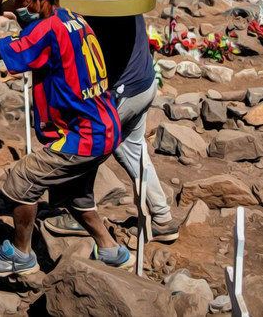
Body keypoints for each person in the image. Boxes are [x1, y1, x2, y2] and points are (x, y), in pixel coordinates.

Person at [0, 0, 131, 276]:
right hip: (105, 126)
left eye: (23, 1)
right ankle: (111, 250)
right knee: (75, 195)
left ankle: (21, 254)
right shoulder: (71, 18)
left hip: (86, 134)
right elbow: (40, 46)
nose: (19, 6)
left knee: (22, 180)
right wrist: (18, 16)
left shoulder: (46, 30)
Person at [43, 14, 179, 243]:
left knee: (86, 143)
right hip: (143, 82)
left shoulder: (99, 7)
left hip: (122, 91)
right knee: (132, 150)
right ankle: (162, 219)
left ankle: (80, 215)